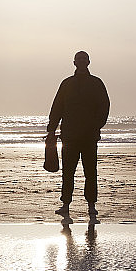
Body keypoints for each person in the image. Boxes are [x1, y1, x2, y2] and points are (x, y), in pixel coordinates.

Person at [46, 50, 110, 223]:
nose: (81, 62)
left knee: (91, 172)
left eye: (84, 59)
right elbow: (57, 107)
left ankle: (91, 207)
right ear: (74, 63)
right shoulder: (66, 84)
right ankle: (66, 206)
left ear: (88, 62)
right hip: (69, 137)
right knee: (68, 173)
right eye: (79, 59)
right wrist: (51, 129)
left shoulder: (96, 83)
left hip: (89, 137)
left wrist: (96, 126)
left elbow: (104, 107)